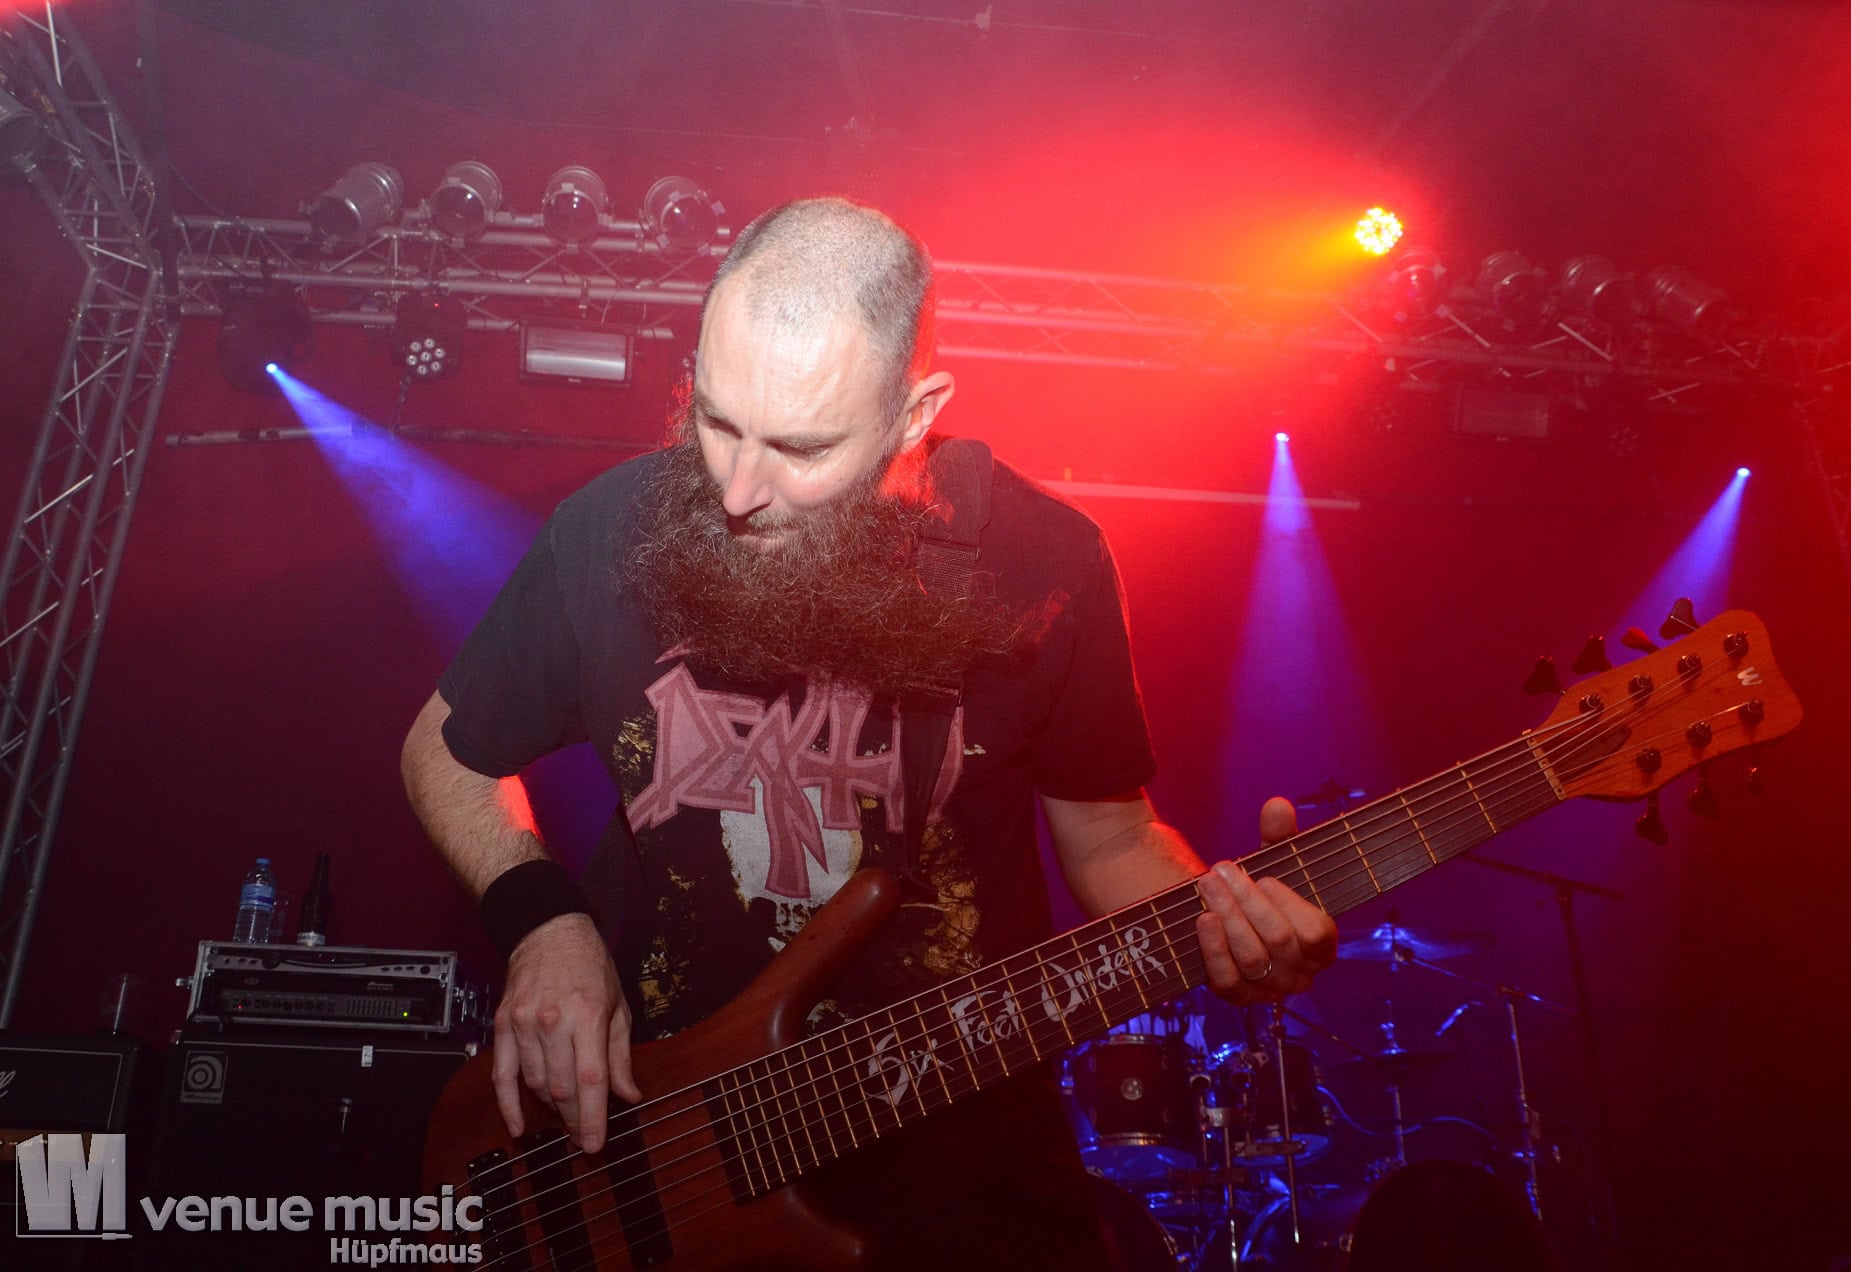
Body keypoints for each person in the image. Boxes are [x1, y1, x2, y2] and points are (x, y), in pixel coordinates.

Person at [400, 196, 1337, 1268]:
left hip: (966, 1158)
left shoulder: (1048, 565)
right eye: (716, 420)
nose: (737, 490)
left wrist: (1224, 923)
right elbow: (445, 751)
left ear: (913, 412)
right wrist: (543, 926)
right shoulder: (610, 530)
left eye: (800, 447)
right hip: (667, 1148)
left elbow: (1113, 839)